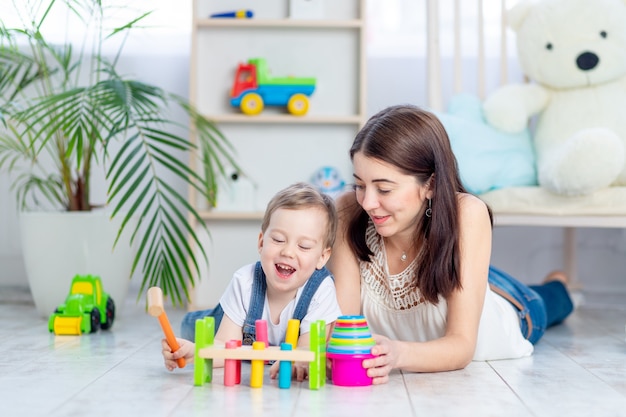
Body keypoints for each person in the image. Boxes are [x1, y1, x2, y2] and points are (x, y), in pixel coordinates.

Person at [328, 104, 574, 384]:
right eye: (359, 185)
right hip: (445, 272)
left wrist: (398, 354)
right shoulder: (348, 210)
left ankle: (558, 282)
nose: (368, 202)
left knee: (549, 299)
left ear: (430, 185)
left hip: (510, 306)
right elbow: (340, 326)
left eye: (384, 189)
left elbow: (461, 347)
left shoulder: (468, 213)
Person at [162, 182, 342, 381]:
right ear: (261, 242)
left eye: (304, 246)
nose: (288, 252)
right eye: (279, 240)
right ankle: (191, 325)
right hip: (223, 320)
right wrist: (196, 351)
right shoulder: (245, 281)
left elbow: (308, 349)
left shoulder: (321, 290)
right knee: (194, 328)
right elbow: (224, 346)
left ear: (322, 257)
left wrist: (294, 362)